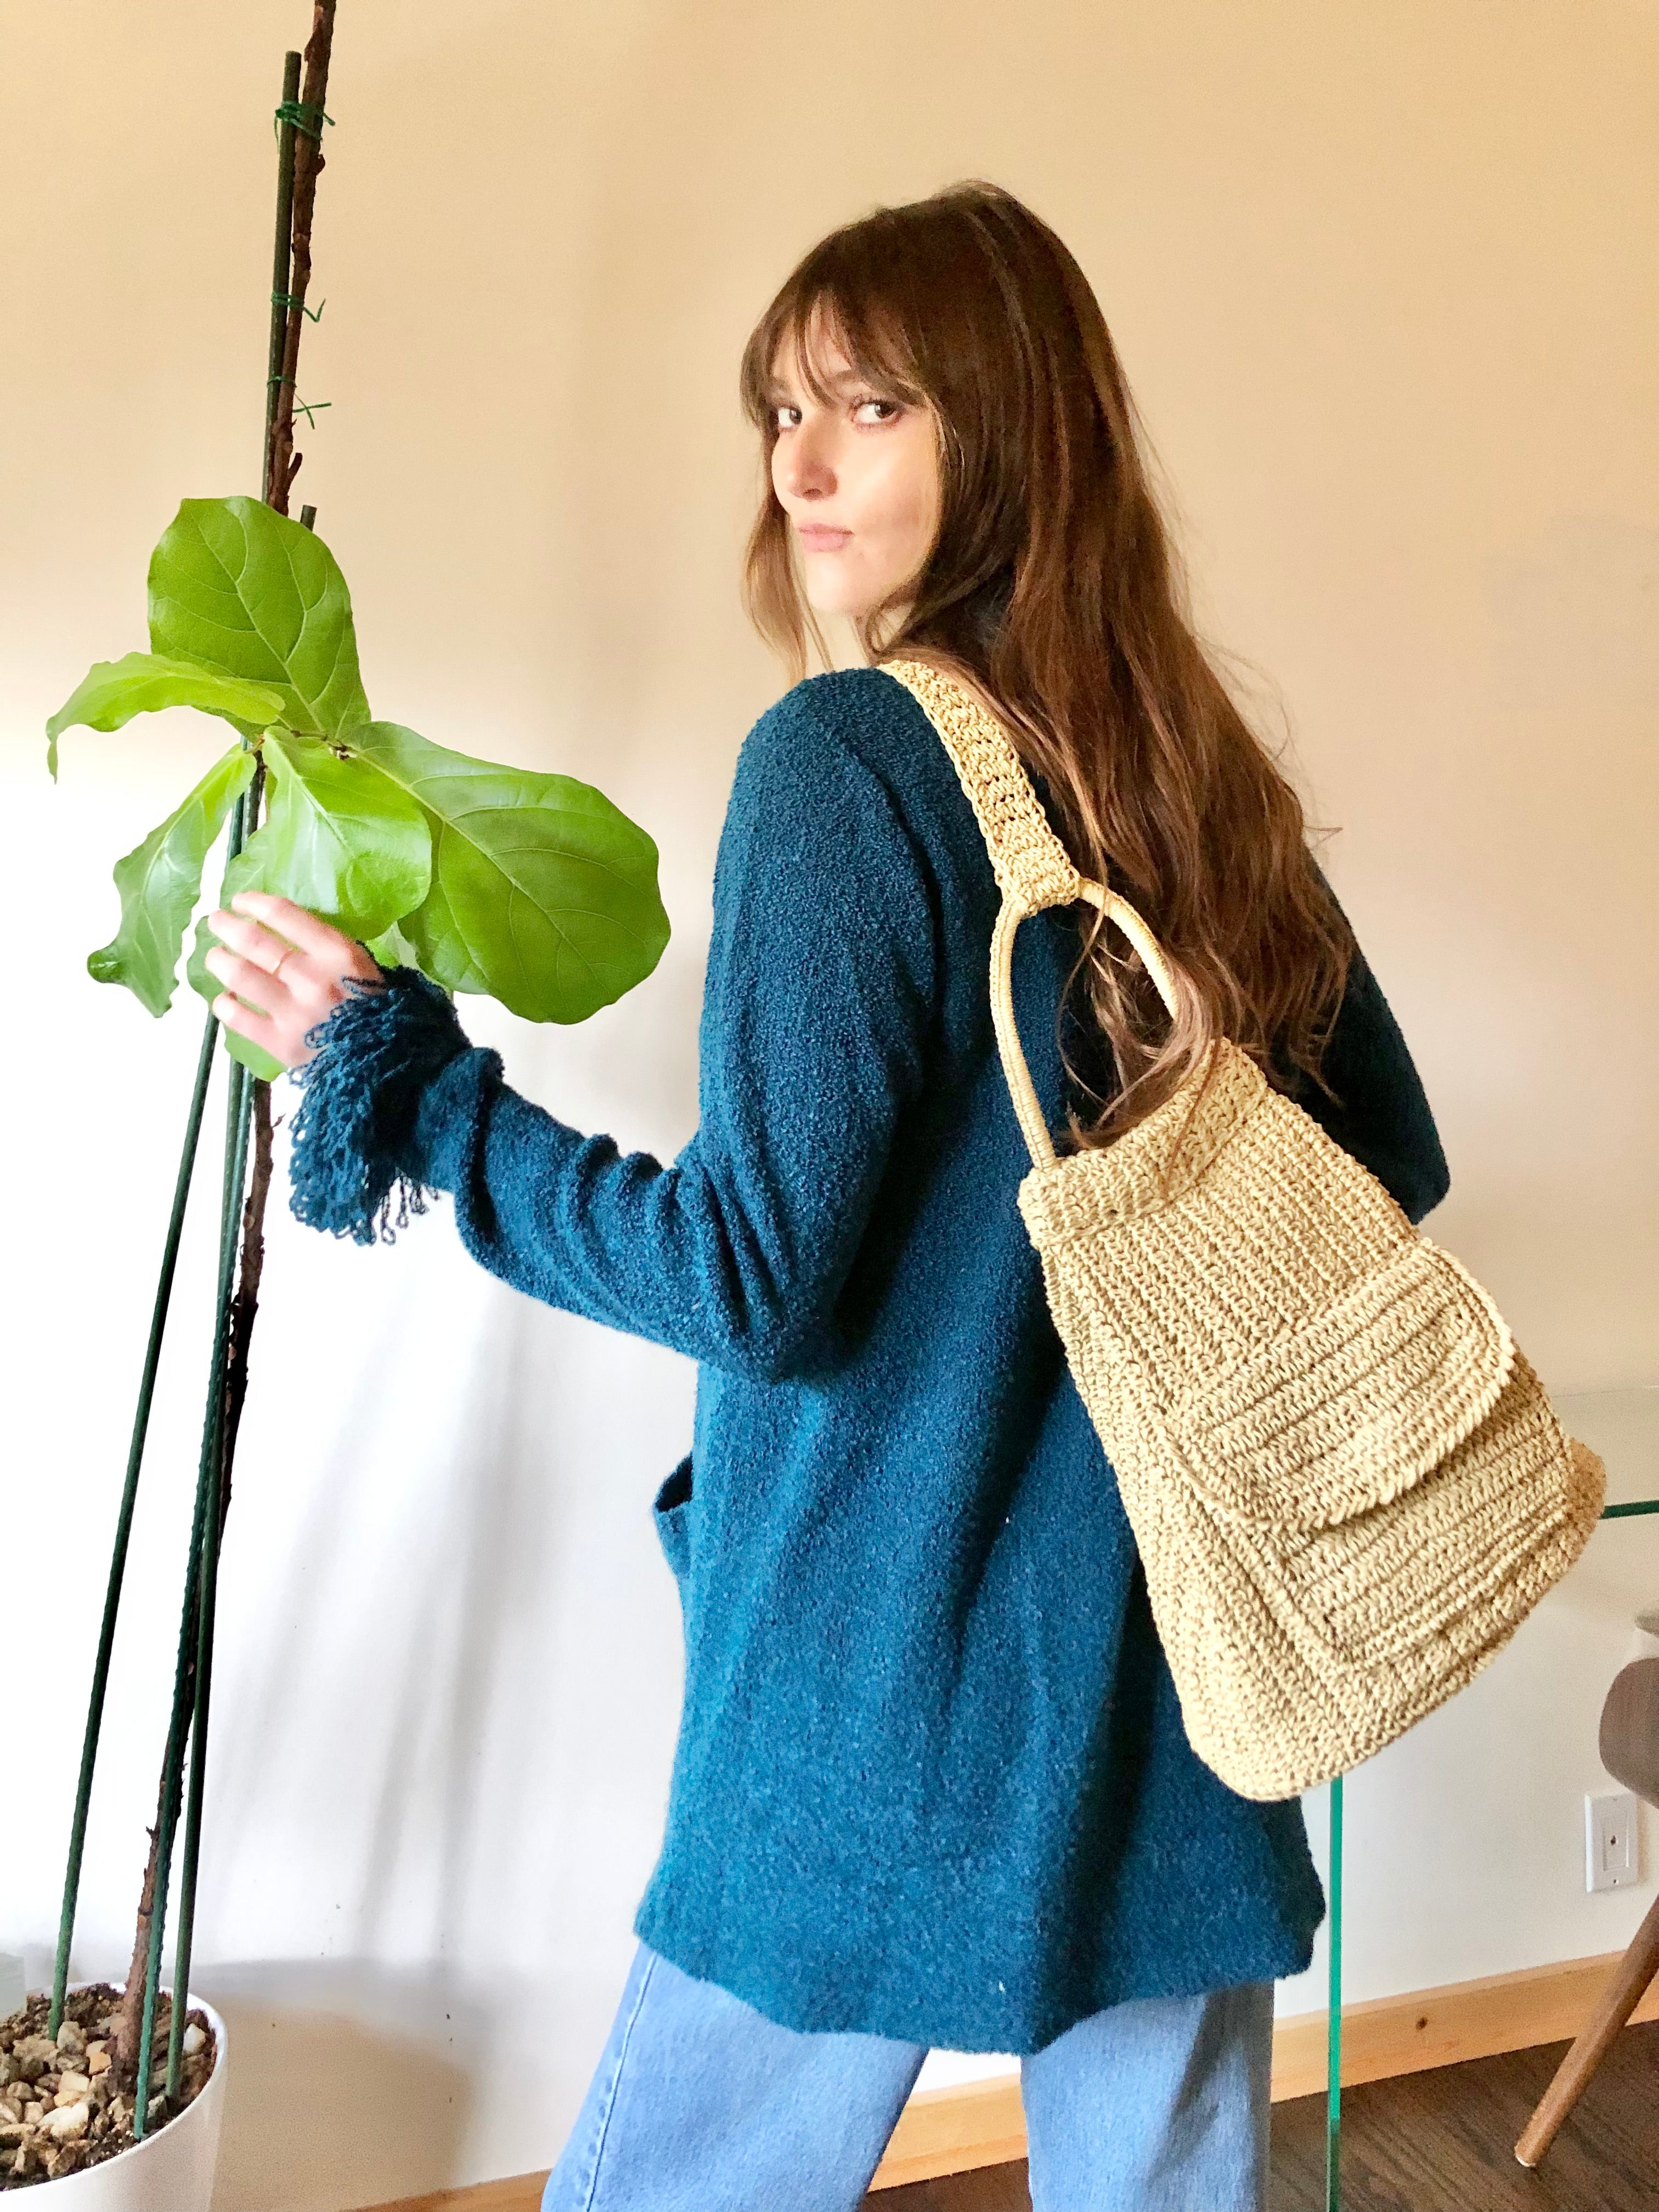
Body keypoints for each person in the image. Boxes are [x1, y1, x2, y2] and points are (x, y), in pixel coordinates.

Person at [204, 182, 1449, 2211]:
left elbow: (750, 1275)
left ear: (1009, 427)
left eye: (867, 405)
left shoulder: (851, 765)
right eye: (782, 408)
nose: (799, 460)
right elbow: (1382, 1157)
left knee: (695, 2177)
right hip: (1180, 1666)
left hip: (879, 1672)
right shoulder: (1188, 770)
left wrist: (422, 1096)